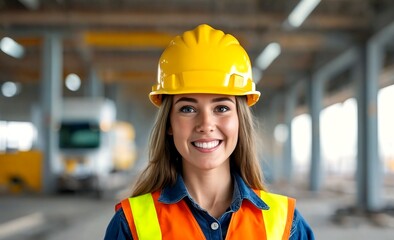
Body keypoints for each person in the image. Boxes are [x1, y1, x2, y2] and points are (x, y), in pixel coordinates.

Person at [104, 24, 314, 240]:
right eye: (188, 109)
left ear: (239, 121)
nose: (205, 124)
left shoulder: (285, 227)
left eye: (221, 108)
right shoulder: (130, 225)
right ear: (169, 123)